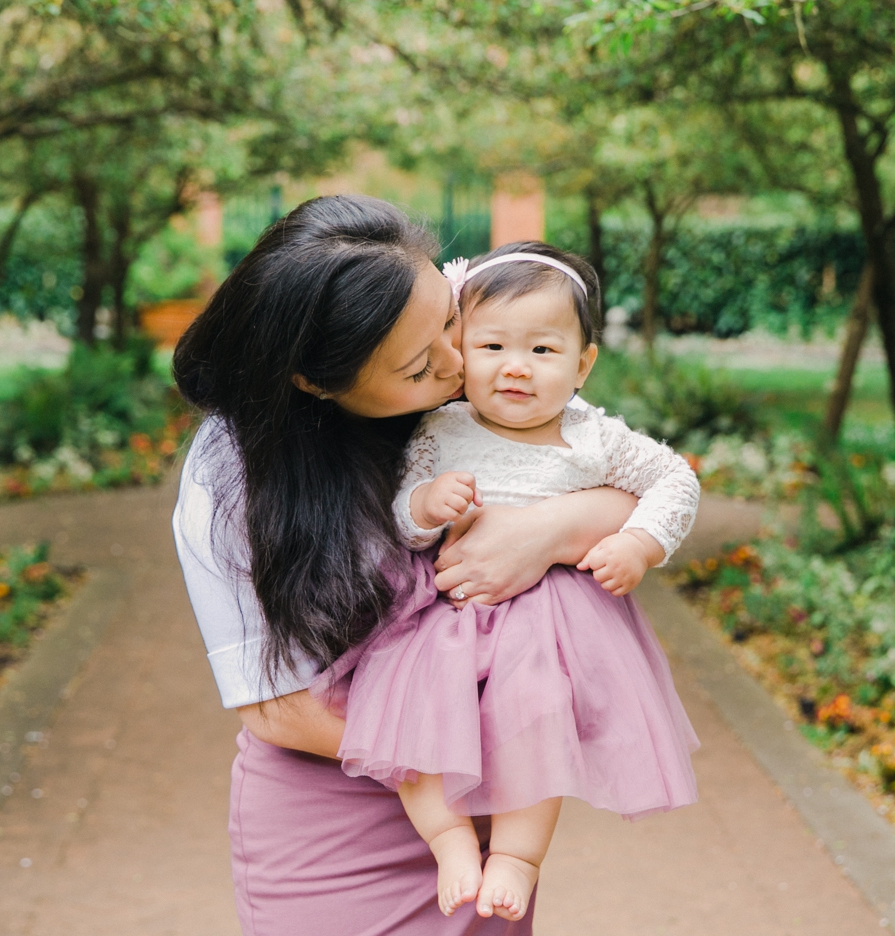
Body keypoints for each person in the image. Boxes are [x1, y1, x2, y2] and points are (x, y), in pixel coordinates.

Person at [171, 196, 641, 936]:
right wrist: (477, 740)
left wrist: (549, 530)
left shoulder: (469, 392)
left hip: (481, 819)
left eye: (450, 322)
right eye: (423, 366)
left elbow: (627, 488)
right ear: (314, 382)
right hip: (337, 816)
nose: (461, 367)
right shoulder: (232, 476)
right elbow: (274, 705)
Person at [325, 242, 701, 923]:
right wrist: (427, 504)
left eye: (544, 351)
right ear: (460, 351)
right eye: (493, 346)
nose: (515, 369)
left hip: (549, 627)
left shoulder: (595, 437)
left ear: (583, 364)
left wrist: (640, 545)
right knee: (418, 721)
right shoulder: (441, 428)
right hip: (448, 618)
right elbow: (401, 510)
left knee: (537, 718)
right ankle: (450, 843)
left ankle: (519, 857)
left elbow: (675, 480)